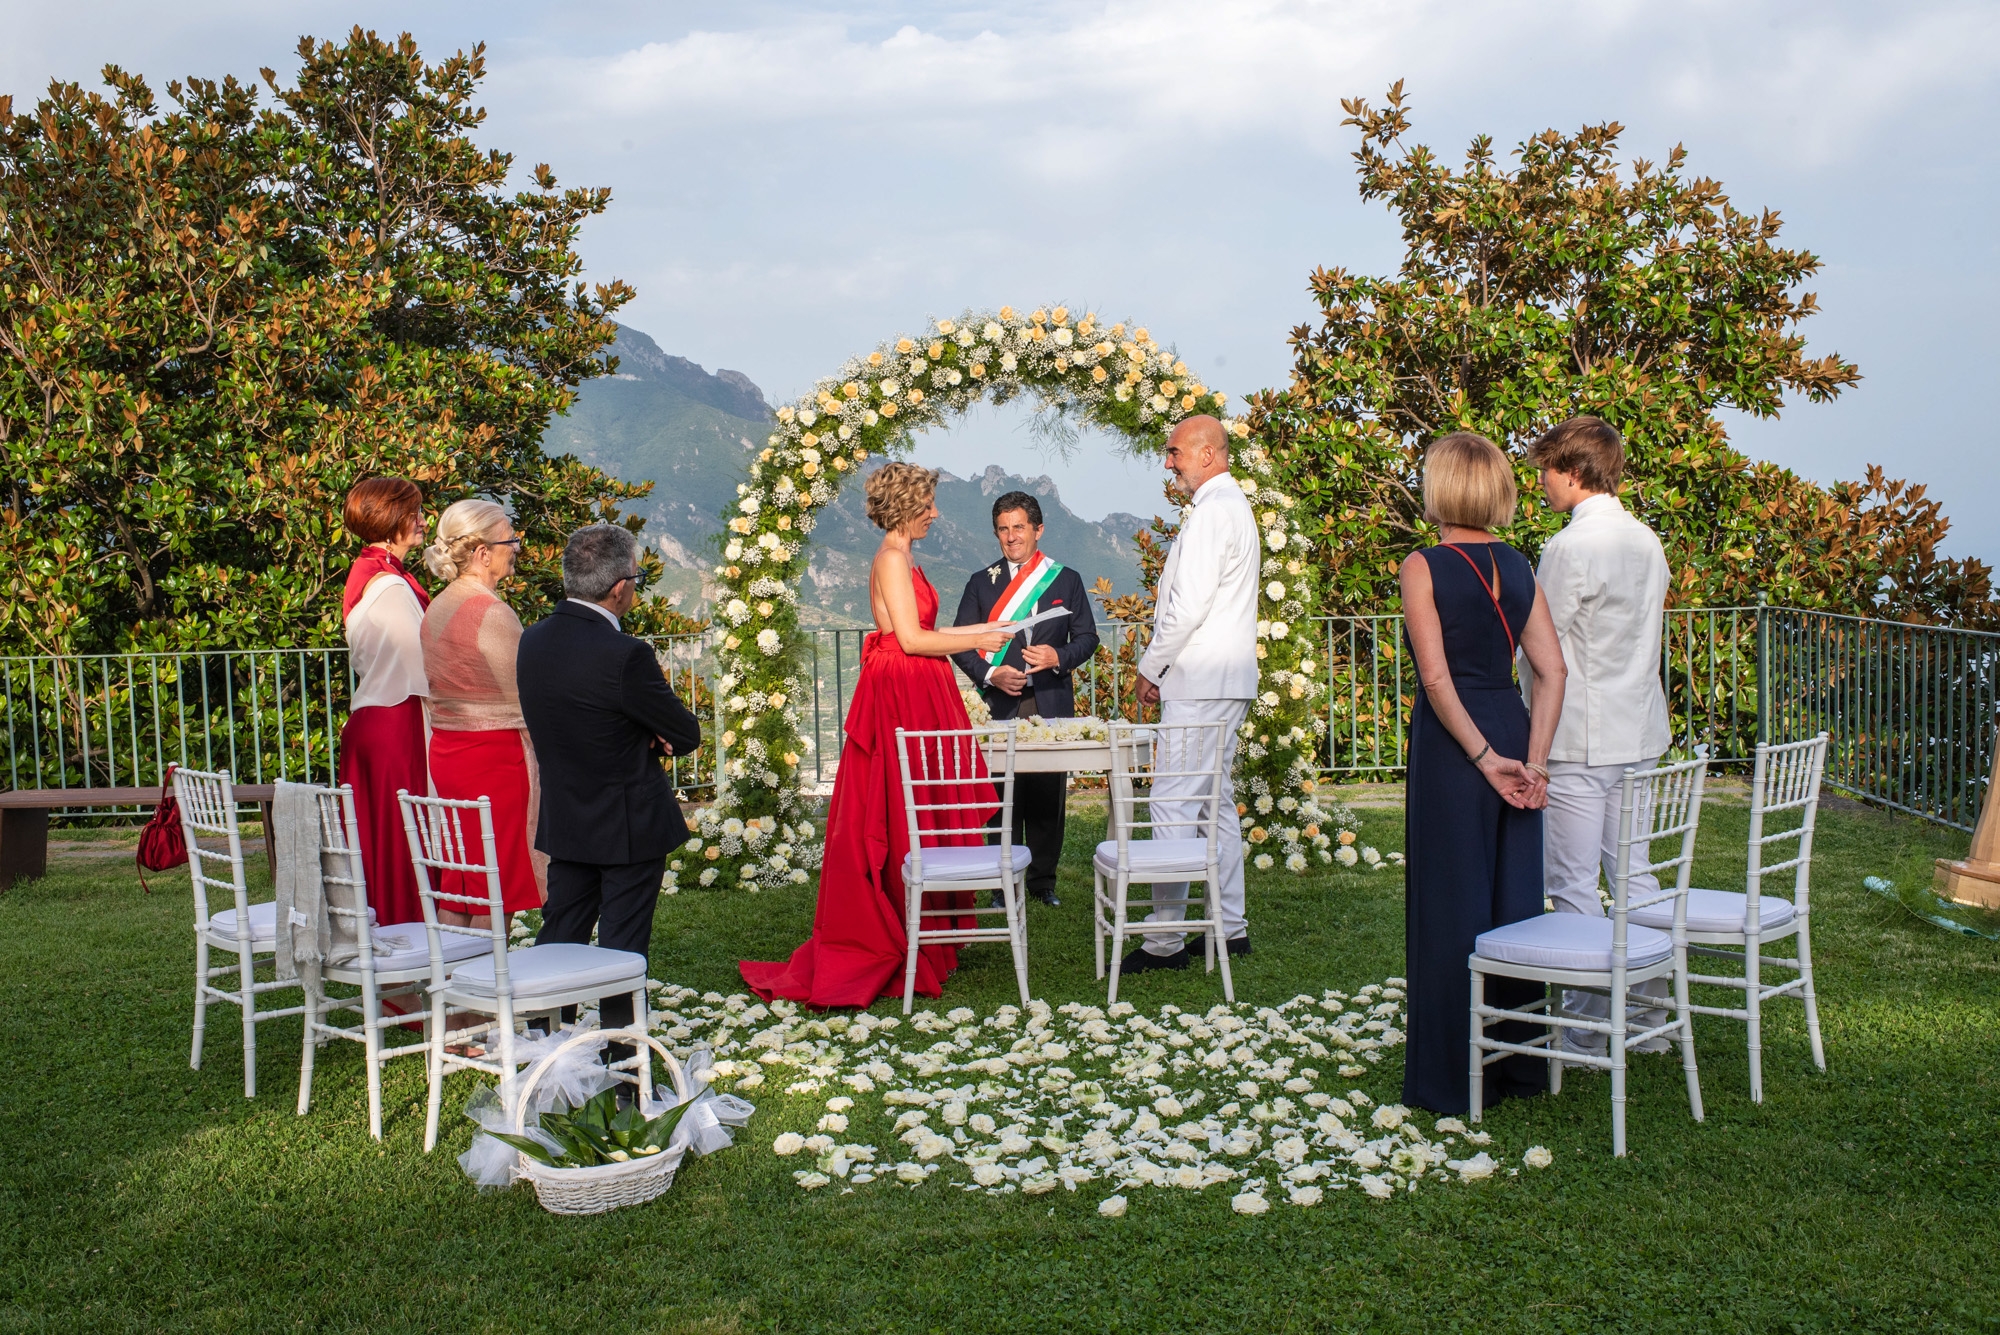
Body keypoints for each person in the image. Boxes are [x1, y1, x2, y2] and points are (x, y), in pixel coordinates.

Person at [741, 463, 1016, 1007]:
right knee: (898, 807)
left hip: (914, 686)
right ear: (908, 507)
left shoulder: (902, 556)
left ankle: (929, 929)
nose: (935, 514)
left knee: (918, 801)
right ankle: (901, 928)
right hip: (902, 690)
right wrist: (978, 635)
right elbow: (910, 640)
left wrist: (984, 633)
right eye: (929, 505)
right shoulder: (891, 558)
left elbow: (919, 632)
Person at [1399, 432, 1567, 1115]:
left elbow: (1437, 678)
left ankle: (1450, 1077)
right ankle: (1519, 1064)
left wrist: (1480, 757)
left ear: (1442, 487)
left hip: (1456, 746)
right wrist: (1534, 759)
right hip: (1511, 724)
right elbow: (1552, 671)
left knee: (1452, 905)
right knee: (1512, 904)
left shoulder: (1423, 565)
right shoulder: (1519, 564)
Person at [517, 525, 702, 1051]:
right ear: (620, 587)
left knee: (560, 936)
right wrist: (648, 732)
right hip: (627, 823)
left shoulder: (532, 640)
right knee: (622, 948)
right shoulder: (625, 654)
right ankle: (623, 1063)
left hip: (567, 817)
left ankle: (543, 1049)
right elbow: (685, 733)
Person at [1524, 415, 1674, 1055]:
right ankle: (1646, 1016)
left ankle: (1587, 1026)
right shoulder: (1648, 540)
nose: (1541, 484)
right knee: (1635, 873)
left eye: (1546, 471)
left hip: (1579, 734)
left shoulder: (1569, 548)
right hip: (1638, 727)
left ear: (1575, 471)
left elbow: (1542, 643)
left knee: (1573, 883)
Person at [1125, 416, 1260, 972]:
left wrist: (1150, 668)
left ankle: (1167, 940)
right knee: (1216, 804)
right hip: (1226, 681)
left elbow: (1187, 609)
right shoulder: (1236, 509)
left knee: (1173, 801)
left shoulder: (1211, 515)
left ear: (1207, 453)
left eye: (1175, 451)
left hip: (1200, 681)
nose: (1169, 461)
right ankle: (1230, 928)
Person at [951, 491, 1102, 907]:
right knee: (1000, 794)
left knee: (1046, 794)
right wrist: (990, 673)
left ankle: (1041, 882)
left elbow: (1087, 637)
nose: (1011, 536)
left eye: (1019, 527)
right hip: (999, 701)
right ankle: (1003, 883)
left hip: (1049, 698)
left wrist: (1059, 656)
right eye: (1003, 528)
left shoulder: (1066, 579)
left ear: (1038, 529)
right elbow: (960, 642)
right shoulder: (982, 582)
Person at [420, 499, 546, 927]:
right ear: (481, 553)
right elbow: (529, 692)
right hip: (493, 758)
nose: (515, 546)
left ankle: (450, 986)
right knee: (497, 887)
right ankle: (487, 989)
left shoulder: (437, 607)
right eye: (508, 539)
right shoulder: (491, 612)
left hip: (450, 752)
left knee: (462, 880)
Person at [338, 477, 431, 927]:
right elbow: (422, 660)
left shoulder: (371, 571)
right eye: (415, 513)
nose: (422, 520)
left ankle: (394, 968)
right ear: (392, 519)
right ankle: (401, 969)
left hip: (375, 715)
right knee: (402, 840)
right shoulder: (390, 585)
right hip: (397, 718)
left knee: (382, 839)